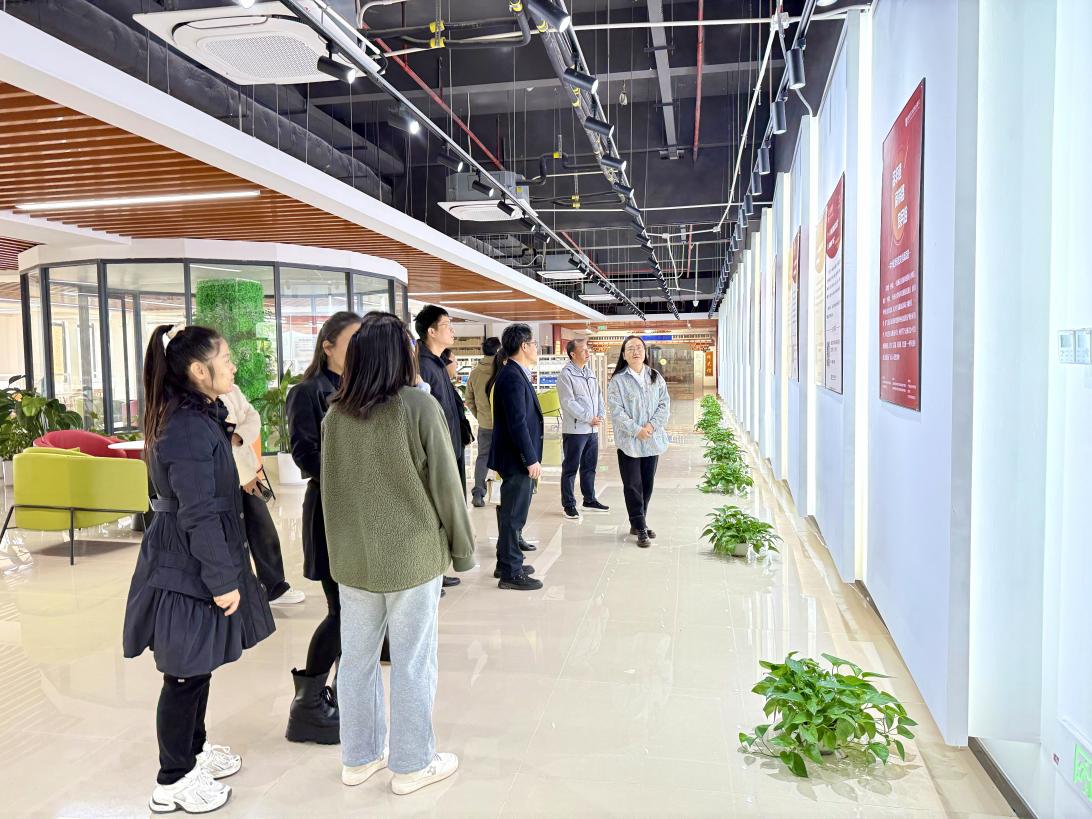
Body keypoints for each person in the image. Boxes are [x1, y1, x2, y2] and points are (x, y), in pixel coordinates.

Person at [124, 324, 275, 815]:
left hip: (196, 555)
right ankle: (172, 779)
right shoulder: (187, 427)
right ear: (198, 370)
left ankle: (194, 750)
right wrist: (222, 580)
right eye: (225, 358)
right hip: (184, 562)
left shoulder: (199, 416)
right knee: (184, 673)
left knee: (198, 663)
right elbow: (198, 512)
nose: (232, 366)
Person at [322, 312, 475, 794]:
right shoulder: (417, 406)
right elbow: (446, 485)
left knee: (357, 660)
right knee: (412, 661)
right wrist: (463, 550)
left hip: (354, 559)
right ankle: (411, 764)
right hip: (411, 556)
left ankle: (359, 757)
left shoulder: (335, 415)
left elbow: (331, 491)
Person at [285, 310, 362, 745]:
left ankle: (333, 694)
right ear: (327, 345)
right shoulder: (308, 392)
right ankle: (308, 704)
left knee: (355, 611)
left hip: (359, 511)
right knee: (341, 611)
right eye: (352, 341)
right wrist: (352, 475)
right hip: (329, 509)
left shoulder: (358, 388)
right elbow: (304, 454)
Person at [220, 384, 304, 606]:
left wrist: (238, 434)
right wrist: (234, 431)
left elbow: (253, 418)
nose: (232, 368)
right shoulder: (200, 393)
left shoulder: (231, 389)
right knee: (232, 536)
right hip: (227, 475)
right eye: (227, 364)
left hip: (247, 471)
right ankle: (239, 590)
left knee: (264, 529)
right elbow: (220, 436)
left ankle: (274, 587)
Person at [488, 324, 544, 590]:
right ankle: (511, 572)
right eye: (534, 344)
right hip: (516, 458)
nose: (536, 349)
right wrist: (530, 459)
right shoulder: (512, 376)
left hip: (515, 457)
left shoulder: (515, 372)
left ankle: (505, 562)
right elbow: (517, 423)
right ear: (524, 346)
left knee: (513, 513)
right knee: (513, 515)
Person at [415, 306, 467, 591]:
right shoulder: (423, 366)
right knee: (436, 512)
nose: (452, 330)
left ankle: (439, 569)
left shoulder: (437, 363)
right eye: (447, 325)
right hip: (438, 453)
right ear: (431, 331)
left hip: (450, 448)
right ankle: (433, 572)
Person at [606, 335, 671, 549]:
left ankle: (638, 522)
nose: (636, 351)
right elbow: (616, 411)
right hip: (629, 443)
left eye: (639, 348)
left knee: (647, 484)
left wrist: (651, 427)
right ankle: (640, 527)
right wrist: (637, 430)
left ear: (645, 352)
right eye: (631, 348)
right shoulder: (618, 381)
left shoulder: (655, 376)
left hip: (652, 440)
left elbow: (664, 404)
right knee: (633, 485)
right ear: (624, 355)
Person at [557, 337, 609, 520]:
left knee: (589, 467)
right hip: (575, 431)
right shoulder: (566, 375)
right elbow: (568, 402)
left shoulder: (589, 372)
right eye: (584, 350)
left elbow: (598, 395)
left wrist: (601, 414)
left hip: (592, 430)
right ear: (573, 354)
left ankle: (589, 500)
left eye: (588, 350)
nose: (588, 353)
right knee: (571, 468)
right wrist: (589, 417)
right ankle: (569, 505)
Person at [464, 337, 501, 507]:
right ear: (498, 350)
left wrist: (479, 416)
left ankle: (478, 493)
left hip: (485, 424)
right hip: (503, 425)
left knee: (483, 458)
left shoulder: (475, 372)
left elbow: (469, 400)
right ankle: (505, 493)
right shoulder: (503, 370)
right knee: (506, 457)